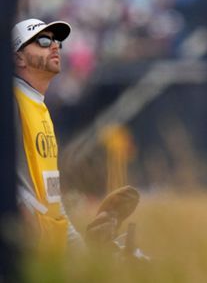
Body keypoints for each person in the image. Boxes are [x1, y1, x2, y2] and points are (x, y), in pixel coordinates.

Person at [12, 18, 140, 254]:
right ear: (18, 57)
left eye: (56, 42)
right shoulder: (13, 102)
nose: (54, 46)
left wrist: (84, 254)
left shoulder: (39, 108)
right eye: (42, 41)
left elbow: (52, 201)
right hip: (29, 253)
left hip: (50, 253)